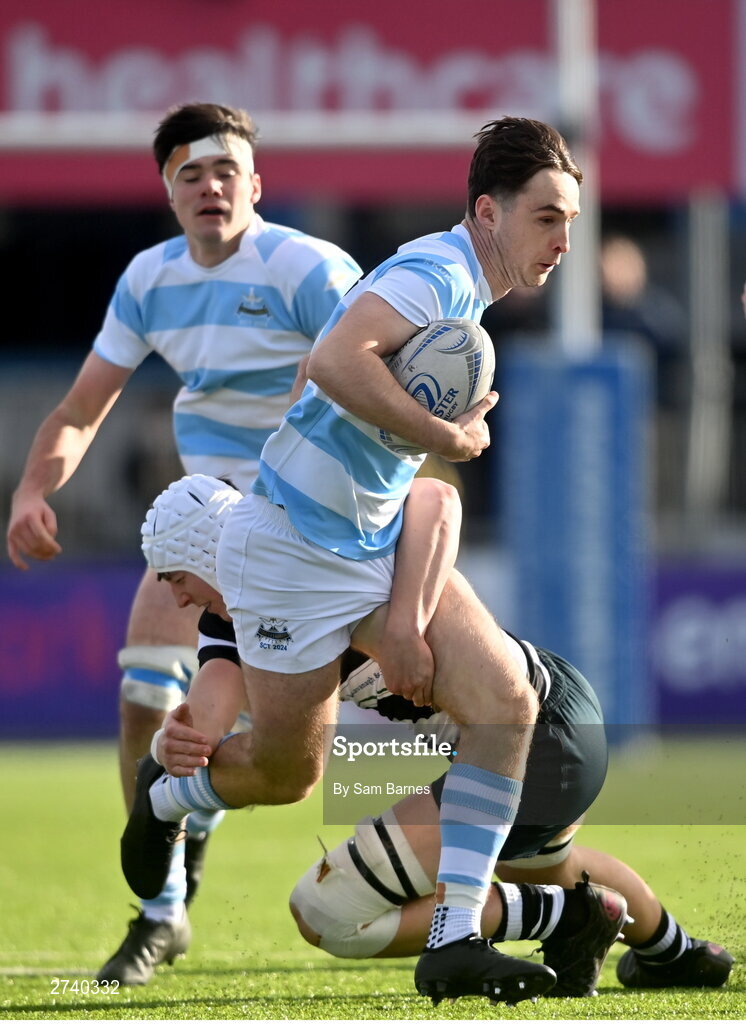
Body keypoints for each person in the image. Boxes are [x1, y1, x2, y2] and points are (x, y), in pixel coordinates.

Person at [120, 115, 587, 1007]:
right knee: (287, 774)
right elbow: (335, 357)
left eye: (570, 220)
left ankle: (453, 938)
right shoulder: (437, 272)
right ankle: (169, 799)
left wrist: (389, 453)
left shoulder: (456, 287)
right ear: (488, 212)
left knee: (507, 702)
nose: (565, 241)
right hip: (293, 553)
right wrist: (442, 432)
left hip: (361, 539)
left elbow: (314, 377)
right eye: (547, 218)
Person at [5, 101, 362, 986]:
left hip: (306, 527)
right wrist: (32, 490)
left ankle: (520, 870)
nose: (211, 185)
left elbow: (383, 368)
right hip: (203, 526)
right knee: (141, 695)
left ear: (257, 184)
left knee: (302, 757)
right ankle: (162, 910)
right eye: (191, 173)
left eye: (226, 169)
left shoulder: (306, 266)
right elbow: (81, 409)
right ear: (167, 191)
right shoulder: (149, 279)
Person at [130, 473, 732, 998]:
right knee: (544, 862)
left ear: (206, 550)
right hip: (554, 713)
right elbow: (203, 721)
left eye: (176, 576)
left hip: (525, 732)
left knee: (326, 912)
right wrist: (170, 745)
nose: (177, 597)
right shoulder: (235, 611)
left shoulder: (311, 543)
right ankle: (676, 953)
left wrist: (403, 624)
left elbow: (433, 495)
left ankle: (566, 919)